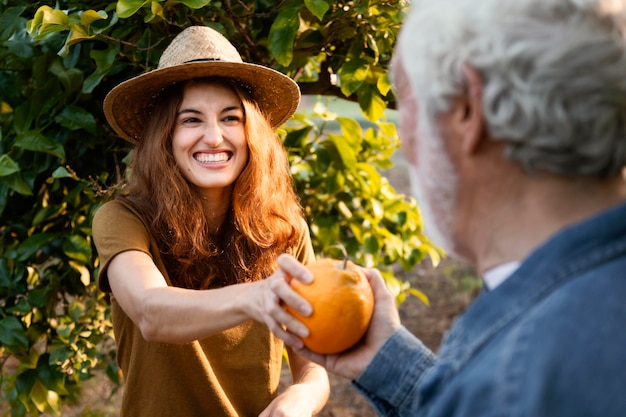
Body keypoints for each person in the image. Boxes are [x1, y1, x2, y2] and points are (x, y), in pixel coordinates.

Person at [268, 0, 626, 416]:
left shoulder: (523, 373)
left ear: (468, 112)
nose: (405, 139)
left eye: (408, 103)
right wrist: (387, 360)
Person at [92, 26, 329, 417]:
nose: (215, 137)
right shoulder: (123, 219)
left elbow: (314, 362)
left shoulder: (286, 231)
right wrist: (257, 297)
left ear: (252, 132)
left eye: (230, 118)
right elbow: (152, 312)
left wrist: (299, 399)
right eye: (191, 120)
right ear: (164, 136)